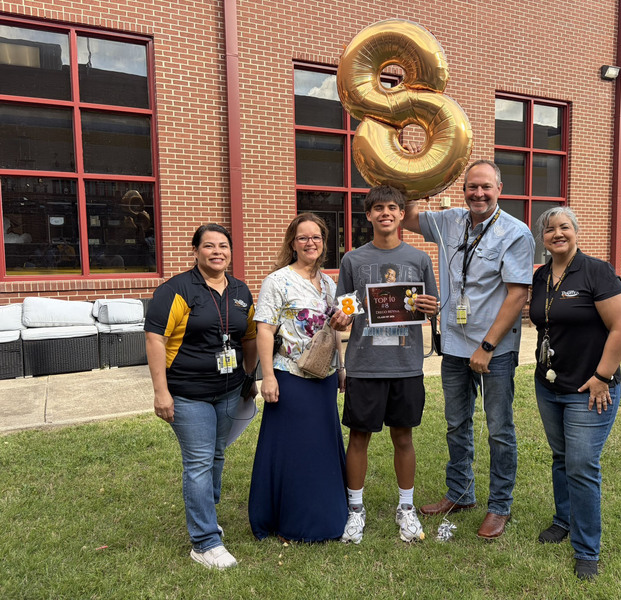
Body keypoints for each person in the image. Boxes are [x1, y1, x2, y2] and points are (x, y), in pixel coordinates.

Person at [403, 159, 535, 540]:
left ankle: (499, 506)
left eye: (486, 187)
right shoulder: (449, 221)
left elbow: (517, 295)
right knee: (456, 423)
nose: (478, 193)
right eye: (471, 187)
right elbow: (408, 216)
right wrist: (420, 174)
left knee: (498, 429)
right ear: (463, 189)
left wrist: (488, 346)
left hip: (494, 349)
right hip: (456, 346)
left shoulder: (515, 232)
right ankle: (460, 493)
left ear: (499, 188)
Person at [529, 206, 621, 580]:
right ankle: (563, 519)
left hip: (590, 389)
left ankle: (587, 550)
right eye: (550, 229)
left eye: (564, 227)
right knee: (561, 457)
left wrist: (603, 376)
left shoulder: (596, 271)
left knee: (582, 465)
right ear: (542, 237)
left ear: (576, 232)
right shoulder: (541, 276)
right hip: (549, 385)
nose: (557, 234)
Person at [145, 223, 258, 570]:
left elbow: (249, 336)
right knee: (198, 462)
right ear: (195, 251)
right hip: (187, 393)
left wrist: (250, 378)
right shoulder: (176, 290)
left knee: (217, 456)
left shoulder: (240, 290)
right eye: (208, 246)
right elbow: (154, 339)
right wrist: (161, 393)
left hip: (228, 390)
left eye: (223, 246)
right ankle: (204, 541)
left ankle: (205, 517)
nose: (217, 252)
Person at [330, 185, 439, 544]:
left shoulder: (419, 258)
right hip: (365, 364)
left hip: (405, 364)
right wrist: (342, 318)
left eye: (393, 207)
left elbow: (432, 305)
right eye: (379, 208)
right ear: (369, 214)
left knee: (403, 437)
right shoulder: (353, 260)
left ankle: (406, 509)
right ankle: (355, 511)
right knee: (358, 437)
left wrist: (429, 307)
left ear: (402, 213)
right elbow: (344, 306)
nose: (386, 213)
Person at [248, 213, 348, 542]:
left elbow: (334, 333)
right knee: (293, 451)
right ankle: (289, 520)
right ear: (293, 243)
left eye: (316, 237)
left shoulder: (331, 284)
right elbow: (264, 329)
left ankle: (326, 516)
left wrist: (342, 368)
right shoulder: (277, 281)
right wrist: (268, 377)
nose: (310, 243)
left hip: (323, 378)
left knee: (320, 449)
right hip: (289, 375)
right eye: (303, 238)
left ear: (324, 242)